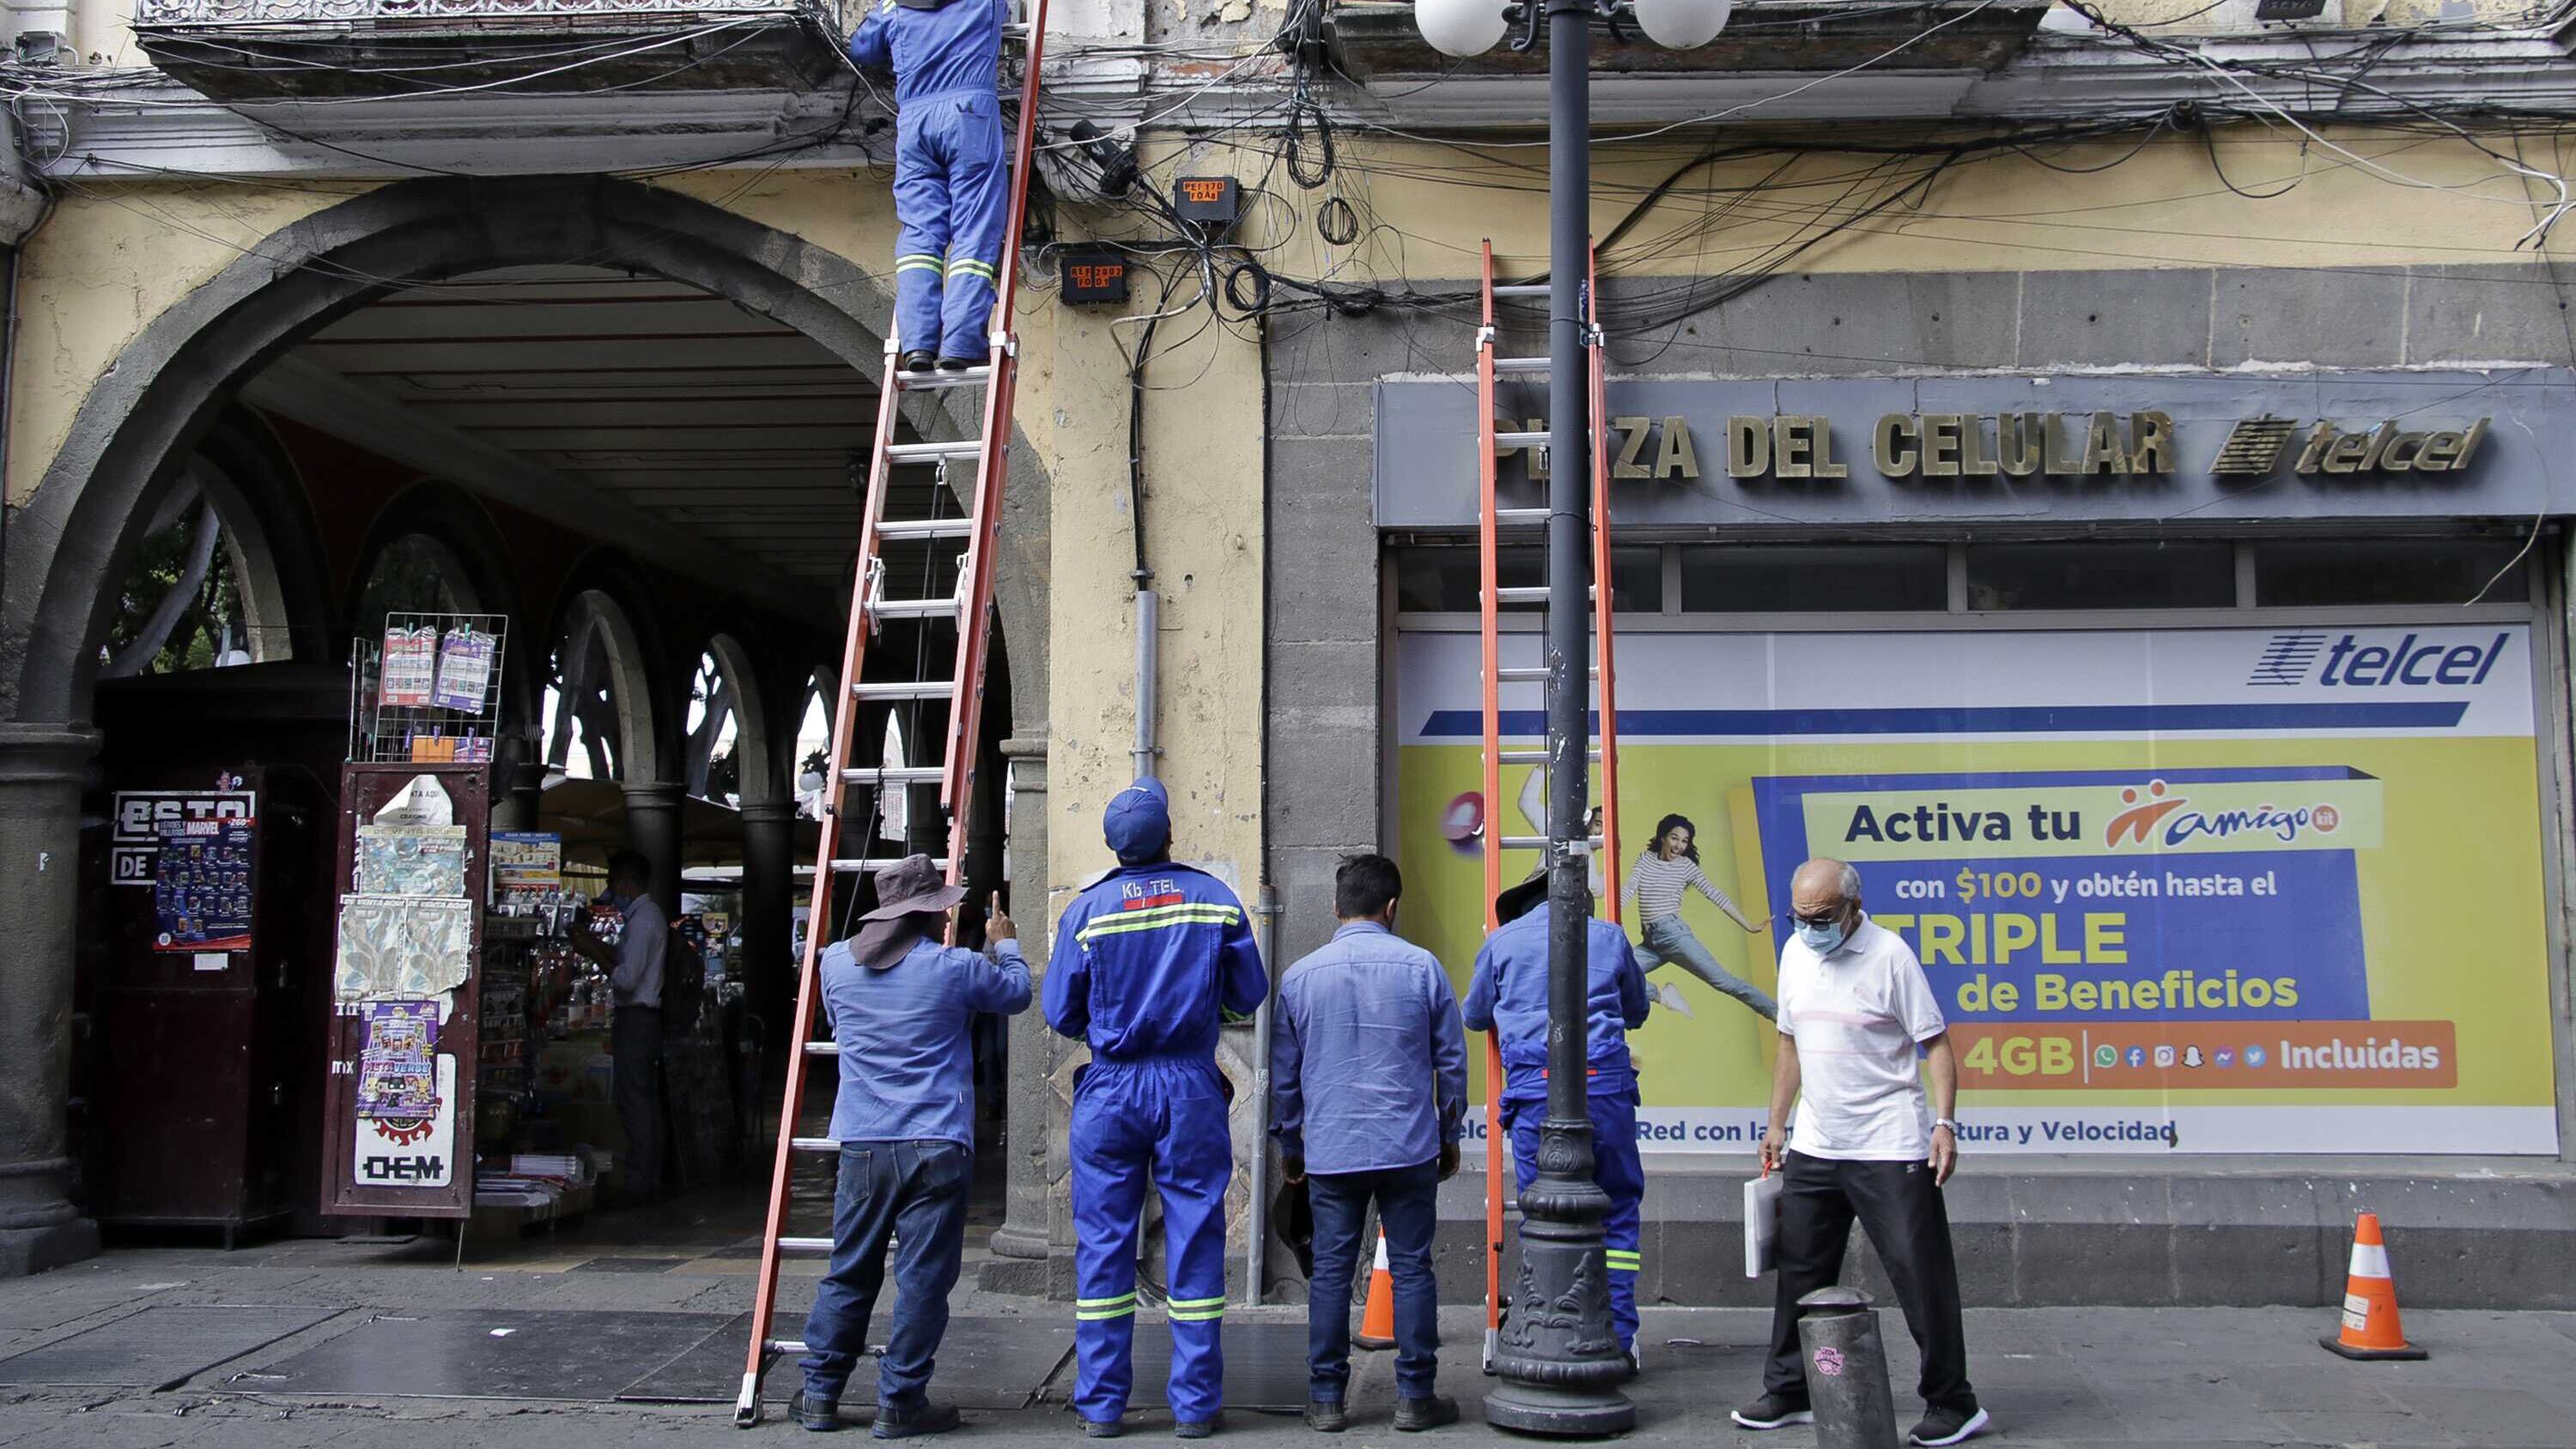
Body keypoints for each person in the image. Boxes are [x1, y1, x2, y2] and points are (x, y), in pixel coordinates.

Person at [1734, 858, 1987, 1448]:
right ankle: (1790, 1388)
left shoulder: (1890, 955)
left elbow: (1937, 1043)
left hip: (1889, 1142)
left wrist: (1944, 1123)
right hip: (1817, 1141)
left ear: (1852, 906)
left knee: (1918, 1273)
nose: (1810, 927)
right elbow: (1789, 1043)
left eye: (1821, 917)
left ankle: (1954, 1401)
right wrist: (1777, 1124)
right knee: (1800, 1270)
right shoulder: (1796, 952)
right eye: (1800, 916)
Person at [1046, 778, 1268, 1439]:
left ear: (1114, 846)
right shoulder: (1215, 900)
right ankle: (1197, 1406)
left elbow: (1061, 1012)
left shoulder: (1087, 913)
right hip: (1190, 1086)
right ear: (1169, 834)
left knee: (1104, 1247)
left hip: (1111, 1088)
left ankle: (1102, 1406)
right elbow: (1245, 998)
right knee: (1197, 1238)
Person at [795, 855, 1034, 1435]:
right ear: (928, 914)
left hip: (863, 1140)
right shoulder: (951, 965)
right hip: (935, 1142)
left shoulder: (833, 964)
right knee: (923, 1277)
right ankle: (900, 1399)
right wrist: (1004, 942)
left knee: (848, 1271)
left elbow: (839, 1023)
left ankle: (819, 1393)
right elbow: (1019, 994)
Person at [1270, 854, 1466, 1434]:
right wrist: (1448, 1134)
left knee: (1330, 1270)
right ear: (1392, 907)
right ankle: (1415, 1395)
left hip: (1332, 1148)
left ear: (1337, 907)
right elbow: (1451, 1063)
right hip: (1408, 1145)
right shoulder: (1423, 968)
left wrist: (1291, 1145)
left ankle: (1327, 1398)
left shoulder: (1300, 976)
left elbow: (1285, 1077)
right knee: (1412, 1268)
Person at [1461, 868, 1649, 1372]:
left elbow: (1475, 1015)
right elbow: (1637, 1010)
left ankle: (1542, 1330)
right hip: (1605, 1086)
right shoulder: (1609, 937)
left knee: (1542, 1214)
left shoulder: (1503, 942)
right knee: (1617, 1211)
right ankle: (1620, 1336)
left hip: (1533, 1091)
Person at [848, 0, 1010, 374]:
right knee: (974, 229)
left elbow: (862, 49)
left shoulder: (894, 5)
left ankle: (918, 342)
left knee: (920, 235)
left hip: (915, 124)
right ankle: (961, 341)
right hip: (968, 113)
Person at [567, 849, 667, 1204]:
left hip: (639, 1017)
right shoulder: (642, 919)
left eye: (611, 882)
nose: (610, 889)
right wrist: (596, 946)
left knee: (635, 1099)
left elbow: (626, 979)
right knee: (639, 1097)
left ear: (624, 882)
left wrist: (594, 953)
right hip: (639, 1017)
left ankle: (641, 1179)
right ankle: (645, 1175)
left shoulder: (644, 921)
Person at [1620, 813, 1776, 1021]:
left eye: (1685, 841)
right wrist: (1610, 917)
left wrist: (1747, 925)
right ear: (1662, 837)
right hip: (1652, 942)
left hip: (1674, 936)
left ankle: (1775, 1012)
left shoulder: (1686, 867)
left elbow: (1715, 894)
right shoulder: (1646, 858)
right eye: (1674, 838)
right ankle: (1662, 996)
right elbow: (1629, 889)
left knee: (1724, 982)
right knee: (1615, 973)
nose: (1679, 846)